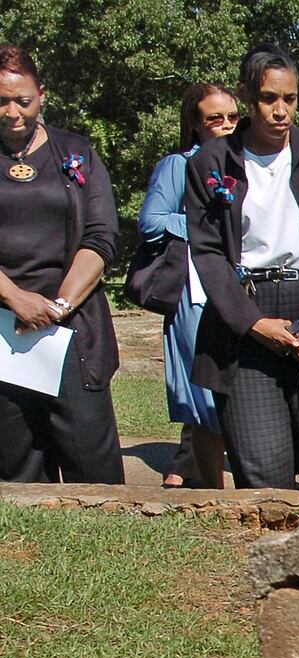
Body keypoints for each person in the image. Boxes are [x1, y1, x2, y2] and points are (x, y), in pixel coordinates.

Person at [185, 44, 299, 492]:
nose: (281, 110)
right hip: (247, 316)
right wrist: (253, 323)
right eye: (269, 99)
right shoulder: (211, 162)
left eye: (290, 99)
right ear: (248, 96)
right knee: (264, 473)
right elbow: (206, 252)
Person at [0, 44, 123, 484]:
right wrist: (15, 298)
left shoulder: (78, 152)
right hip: (3, 332)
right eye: (1, 101)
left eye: (23, 100)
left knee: (93, 463)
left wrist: (57, 305)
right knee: (16, 467)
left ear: (42, 95)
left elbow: (101, 236)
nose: (12, 112)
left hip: (73, 328)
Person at [138, 82, 237, 489]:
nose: (227, 125)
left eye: (233, 116)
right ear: (195, 125)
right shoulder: (179, 165)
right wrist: (203, 229)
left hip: (245, 291)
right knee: (202, 392)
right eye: (215, 118)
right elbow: (150, 221)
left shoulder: (250, 163)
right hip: (195, 292)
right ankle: (206, 484)